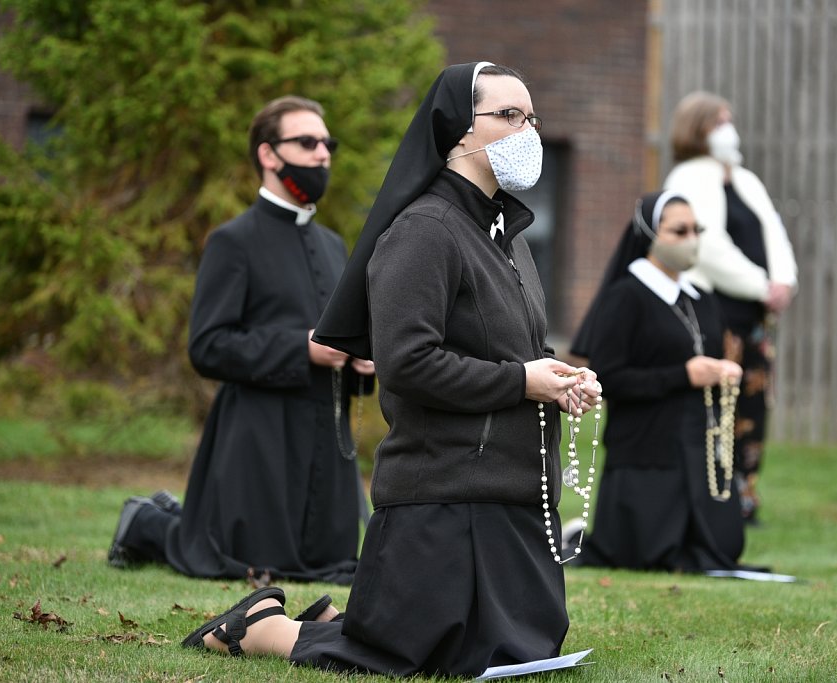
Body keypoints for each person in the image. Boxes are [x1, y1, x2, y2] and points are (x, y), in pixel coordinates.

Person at [177, 62, 602, 678]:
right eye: (510, 116)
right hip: (444, 497)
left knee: (522, 653)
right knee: (408, 657)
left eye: (531, 117)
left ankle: (336, 619)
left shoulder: (508, 238)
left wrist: (557, 378)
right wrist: (522, 381)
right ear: (460, 131)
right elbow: (407, 364)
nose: (527, 130)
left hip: (515, 498)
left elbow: (512, 351)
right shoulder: (424, 230)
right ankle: (267, 629)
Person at [107, 95, 375, 585]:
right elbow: (207, 345)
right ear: (269, 155)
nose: (323, 154)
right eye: (308, 142)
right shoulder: (234, 240)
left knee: (329, 566)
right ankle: (145, 522)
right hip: (258, 436)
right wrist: (302, 348)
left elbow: (337, 339)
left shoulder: (334, 245)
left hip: (323, 433)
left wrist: (358, 361)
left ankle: (167, 517)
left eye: (327, 143)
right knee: (233, 559)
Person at [568, 191, 745, 572]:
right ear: (650, 233)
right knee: (649, 555)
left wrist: (723, 372)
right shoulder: (626, 297)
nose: (691, 239)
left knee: (721, 550)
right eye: (679, 231)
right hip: (646, 450)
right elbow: (608, 379)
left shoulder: (701, 298)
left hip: (697, 445)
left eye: (696, 230)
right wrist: (683, 375)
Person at [662, 92, 798, 524]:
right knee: (717, 404)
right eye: (719, 120)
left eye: (729, 119)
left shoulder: (745, 180)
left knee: (753, 408)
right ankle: (714, 494)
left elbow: (773, 232)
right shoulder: (689, 178)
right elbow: (707, 247)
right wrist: (760, 284)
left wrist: (782, 282)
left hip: (755, 319)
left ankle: (745, 496)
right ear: (698, 128)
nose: (728, 127)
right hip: (717, 313)